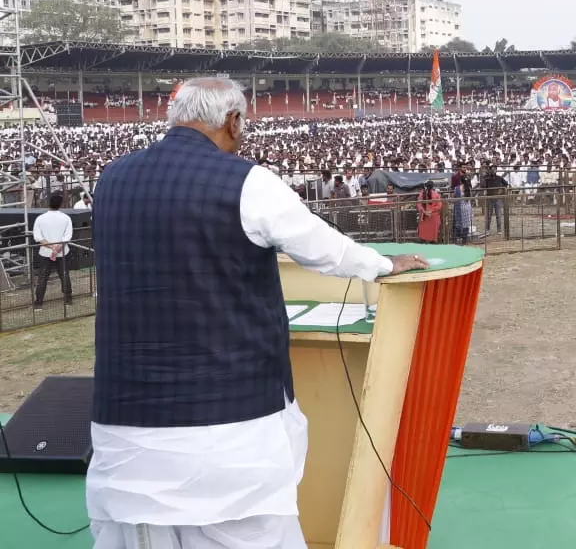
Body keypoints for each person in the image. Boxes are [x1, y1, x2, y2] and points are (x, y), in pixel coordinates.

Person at [86, 77, 424, 549]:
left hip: (126, 425)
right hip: (230, 427)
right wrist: (385, 264)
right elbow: (324, 250)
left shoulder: (112, 179)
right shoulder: (247, 181)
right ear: (232, 120)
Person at [31, 191, 74, 311]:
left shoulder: (40, 218)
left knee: (43, 277)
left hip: (45, 252)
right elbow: (68, 236)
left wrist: (51, 248)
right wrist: (57, 248)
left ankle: (38, 303)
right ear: (60, 204)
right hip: (62, 251)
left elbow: (37, 237)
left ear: (49, 203)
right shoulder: (66, 218)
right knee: (64, 275)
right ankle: (68, 299)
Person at [451, 162, 473, 244]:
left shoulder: (457, 189)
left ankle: (455, 241)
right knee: (466, 224)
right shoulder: (468, 189)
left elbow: (454, 196)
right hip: (467, 207)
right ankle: (464, 241)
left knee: (457, 223)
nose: (465, 168)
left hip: (459, 206)